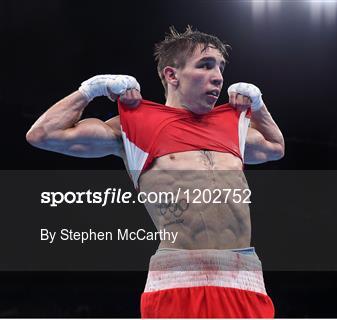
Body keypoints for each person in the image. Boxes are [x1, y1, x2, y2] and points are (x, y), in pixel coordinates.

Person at [26, 26, 284, 318]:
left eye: (221, 67)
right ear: (172, 75)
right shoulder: (135, 124)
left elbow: (275, 147)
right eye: (205, 65)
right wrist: (91, 89)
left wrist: (259, 105)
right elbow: (43, 135)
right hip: (177, 279)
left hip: (243, 278)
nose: (219, 77)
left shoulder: (234, 125)